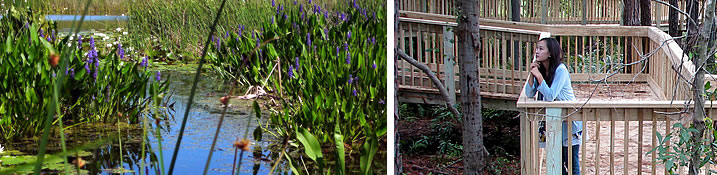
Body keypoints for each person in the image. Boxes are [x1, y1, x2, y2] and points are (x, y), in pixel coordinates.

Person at [524, 37, 582, 175]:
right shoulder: (542, 71)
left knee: (571, 163)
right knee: (556, 162)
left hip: (569, 121)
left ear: (550, 53)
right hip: (552, 121)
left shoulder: (560, 70)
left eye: (541, 48)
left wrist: (538, 76)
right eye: (537, 48)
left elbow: (550, 95)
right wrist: (532, 74)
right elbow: (529, 92)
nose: (537, 52)